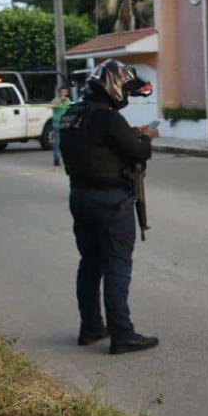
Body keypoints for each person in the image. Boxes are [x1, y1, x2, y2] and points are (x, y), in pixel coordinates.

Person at [58, 59, 159, 355]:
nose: (126, 95)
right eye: (125, 88)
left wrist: (130, 134)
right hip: (111, 202)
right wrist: (146, 137)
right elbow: (137, 151)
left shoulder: (72, 113)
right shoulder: (107, 118)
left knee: (90, 263)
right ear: (113, 85)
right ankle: (122, 334)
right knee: (117, 266)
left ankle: (91, 328)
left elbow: (100, 145)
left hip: (80, 196)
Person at [49, 87, 73, 168]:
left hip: (65, 123)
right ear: (59, 93)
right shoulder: (56, 99)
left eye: (65, 92)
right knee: (57, 142)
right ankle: (57, 160)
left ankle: (67, 160)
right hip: (57, 124)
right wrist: (60, 100)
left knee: (66, 143)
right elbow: (51, 105)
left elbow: (70, 109)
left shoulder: (68, 100)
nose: (63, 93)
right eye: (62, 92)